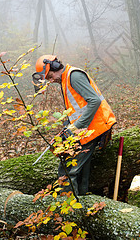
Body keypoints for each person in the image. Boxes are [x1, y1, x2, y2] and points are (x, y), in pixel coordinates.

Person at [33, 55, 116, 195]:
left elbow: (94, 101)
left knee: (66, 169)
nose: (51, 80)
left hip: (93, 127)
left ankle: (69, 207)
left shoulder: (74, 76)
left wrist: (76, 127)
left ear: (54, 67)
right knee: (81, 169)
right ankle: (81, 200)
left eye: (50, 76)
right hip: (86, 128)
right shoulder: (65, 80)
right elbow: (75, 110)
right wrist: (66, 130)